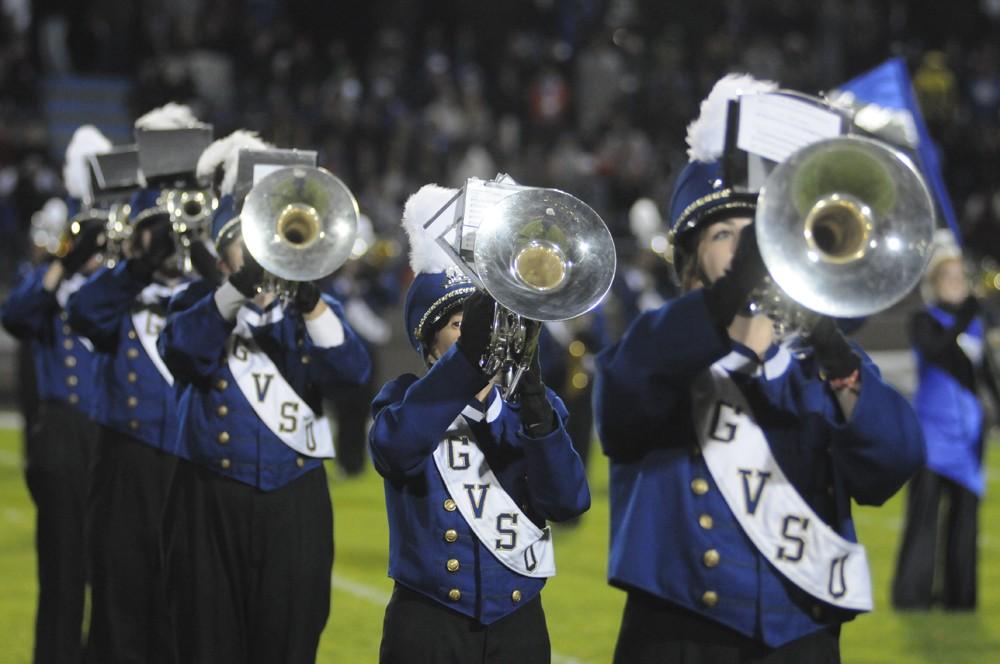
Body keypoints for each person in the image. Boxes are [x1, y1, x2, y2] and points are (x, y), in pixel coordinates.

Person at [593, 76, 926, 663]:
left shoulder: (823, 369)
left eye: (764, 230)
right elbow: (624, 395)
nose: (752, 246)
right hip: (679, 636)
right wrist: (728, 302)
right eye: (726, 233)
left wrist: (833, 347)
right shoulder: (658, 351)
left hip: (802, 637)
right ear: (693, 262)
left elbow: (892, 465)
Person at [156, 133, 372, 663]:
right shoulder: (196, 301)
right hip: (209, 496)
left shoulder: (311, 316)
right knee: (207, 641)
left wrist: (312, 301)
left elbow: (352, 373)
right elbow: (181, 352)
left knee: (289, 639)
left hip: (294, 500)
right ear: (228, 254)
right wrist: (236, 291)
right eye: (249, 248)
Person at [369, 184, 590, 663]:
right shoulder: (404, 401)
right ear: (430, 345)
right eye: (458, 325)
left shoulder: (533, 408)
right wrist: (469, 360)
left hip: (519, 625)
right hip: (427, 626)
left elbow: (568, 501)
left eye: (482, 322)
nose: (479, 334)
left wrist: (533, 401)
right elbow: (396, 449)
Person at [65, 104, 206, 664]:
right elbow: (83, 313)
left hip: (193, 459)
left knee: (186, 609)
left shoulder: (206, 284)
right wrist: (140, 263)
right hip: (126, 453)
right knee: (119, 609)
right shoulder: (126, 260)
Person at [0, 130, 108, 663]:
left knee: (119, 574)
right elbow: (16, 316)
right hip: (64, 438)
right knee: (63, 573)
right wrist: (65, 262)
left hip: (115, 439)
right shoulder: (45, 284)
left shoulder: (117, 287)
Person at [892, 235, 1000, 610]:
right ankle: (913, 595)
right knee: (923, 517)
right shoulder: (924, 321)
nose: (956, 284)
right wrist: (968, 314)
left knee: (966, 518)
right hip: (931, 436)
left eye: (960, 278)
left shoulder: (974, 325)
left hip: (969, 436)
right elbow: (938, 350)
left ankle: (960, 597)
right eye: (948, 278)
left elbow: (984, 373)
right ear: (935, 284)